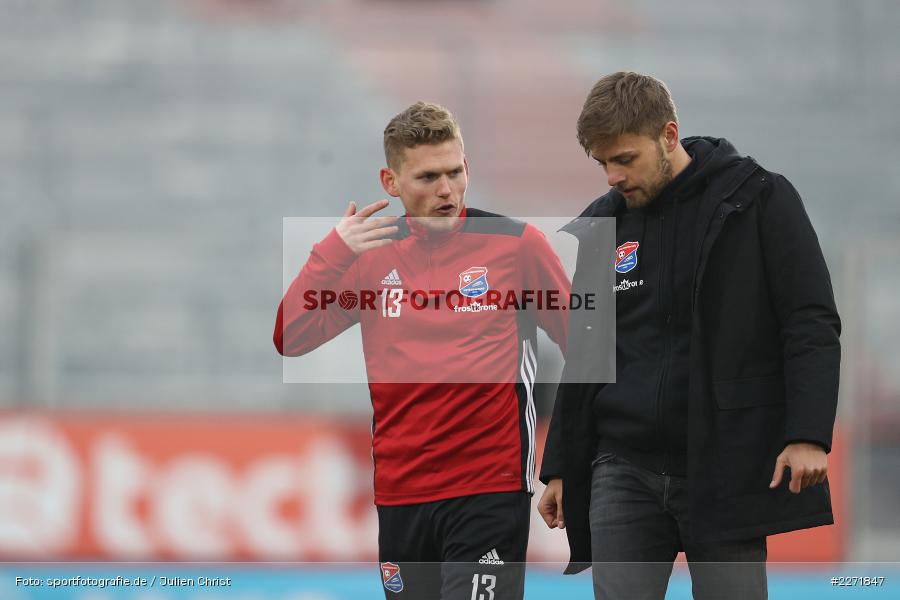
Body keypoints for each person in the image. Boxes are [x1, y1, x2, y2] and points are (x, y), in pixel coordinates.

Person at [537, 71, 841, 600]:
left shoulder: (759, 200)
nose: (611, 176)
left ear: (669, 135)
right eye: (602, 162)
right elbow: (585, 352)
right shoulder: (602, 226)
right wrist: (561, 466)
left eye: (625, 159)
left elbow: (810, 322)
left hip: (728, 462)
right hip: (622, 465)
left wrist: (808, 433)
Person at [275, 101, 570, 599]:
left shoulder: (517, 246)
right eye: (428, 177)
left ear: (468, 168)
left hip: (489, 487)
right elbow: (292, 337)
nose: (446, 191)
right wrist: (330, 254)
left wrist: (564, 460)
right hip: (401, 493)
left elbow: (588, 346)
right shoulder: (369, 257)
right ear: (390, 183)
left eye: (456, 173)